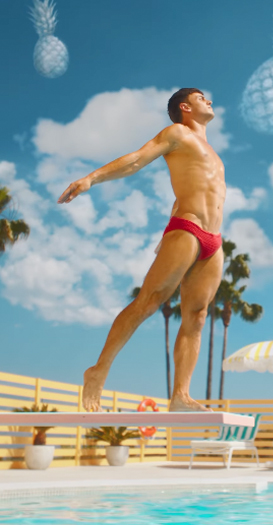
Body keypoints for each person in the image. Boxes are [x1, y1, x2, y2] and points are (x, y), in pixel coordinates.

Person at [58, 88, 225, 413]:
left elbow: (188, 189)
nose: (209, 101)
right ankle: (99, 369)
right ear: (184, 106)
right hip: (188, 228)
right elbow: (137, 158)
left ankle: (181, 395)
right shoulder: (177, 133)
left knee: (197, 316)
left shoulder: (213, 154)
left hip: (214, 240)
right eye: (201, 98)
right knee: (149, 301)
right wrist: (92, 178)